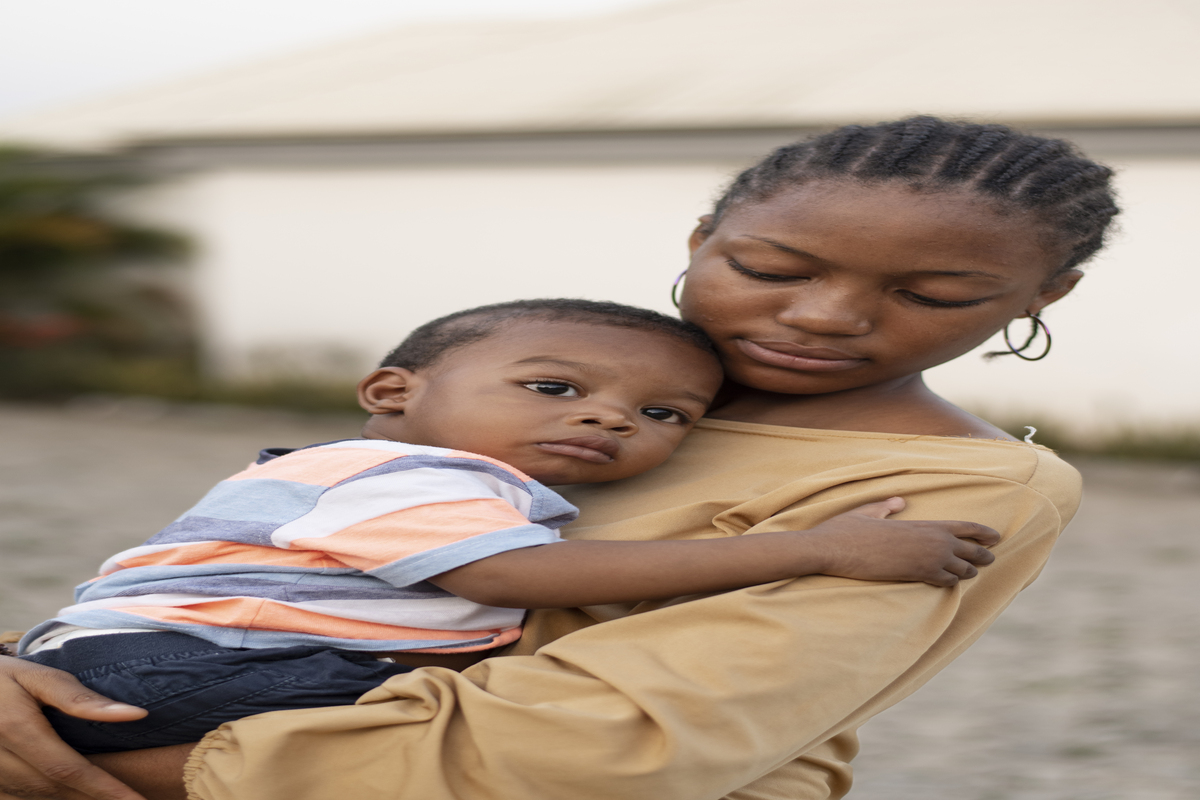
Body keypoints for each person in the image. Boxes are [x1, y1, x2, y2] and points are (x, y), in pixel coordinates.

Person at [0, 116, 1119, 800]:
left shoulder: (962, 488)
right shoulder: (584, 382)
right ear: (700, 241)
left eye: (929, 294)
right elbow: (249, 581)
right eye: (770, 264)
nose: (823, 314)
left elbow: (601, 752)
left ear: (1043, 296)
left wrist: (64, 764)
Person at [14, 299, 995, 755]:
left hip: (205, 661)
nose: (614, 416)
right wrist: (821, 546)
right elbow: (511, 577)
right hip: (187, 661)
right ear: (393, 391)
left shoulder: (462, 478)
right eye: (555, 387)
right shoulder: (390, 470)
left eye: (666, 415)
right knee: (436, 732)